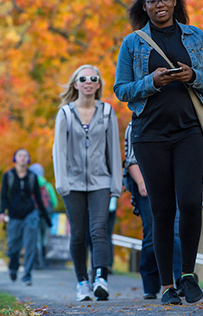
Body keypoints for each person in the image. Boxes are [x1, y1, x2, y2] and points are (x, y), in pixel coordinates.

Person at [113, 0, 203, 305]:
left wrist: (193, 77)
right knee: (162, 210)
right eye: (153, 1)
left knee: (190, 203)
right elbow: (121, 89)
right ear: (144, 7)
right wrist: (151, 81)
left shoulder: (195, 36)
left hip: (188, 131)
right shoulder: (133, 43)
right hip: (150, 136)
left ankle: (187, 275)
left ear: (175, 2)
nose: (160, 4)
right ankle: (165, 286)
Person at [53, 64, 122, 302]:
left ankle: (100, 278)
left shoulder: (107, 112)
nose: (89, 82)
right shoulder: (65, 114)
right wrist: (61, 182)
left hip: (100, 181)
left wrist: (116, 184)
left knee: (99, 230)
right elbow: (58, 152)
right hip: (71, 183)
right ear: (76, 84)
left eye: (94, 78)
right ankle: (82, 281)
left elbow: (113, 150)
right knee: (79, 234)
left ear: (99, 84)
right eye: (84, 79)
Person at [123, 121, 185, 300]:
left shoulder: (174, 120)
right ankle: (150, 286)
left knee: (175, 233)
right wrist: (142, 182)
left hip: (173, 183)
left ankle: (180, 281)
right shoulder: (134, 125)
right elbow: (131, 160)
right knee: (151, 234)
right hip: (146, 183)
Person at [0, 149, 52, 286]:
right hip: (14, 215)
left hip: (30, 213)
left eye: (25, 156)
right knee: (13, 247)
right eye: (20, 155)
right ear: (15, 158)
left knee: (30, 245)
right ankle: (13, 267)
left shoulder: (32, 177)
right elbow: (3, 196)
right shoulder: (8, 176)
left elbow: (38, 199)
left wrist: (46, 218)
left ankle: (27, 275)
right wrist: (1, 212)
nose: (22, 158)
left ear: (28, 160)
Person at [29, 163, 58, 269]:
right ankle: (45, 261)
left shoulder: (30, 183)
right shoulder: (47, 184)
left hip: (33, 213)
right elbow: (54, 201)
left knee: (36, 238)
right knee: (44, 237)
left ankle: (37, 262)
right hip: (46, 214)